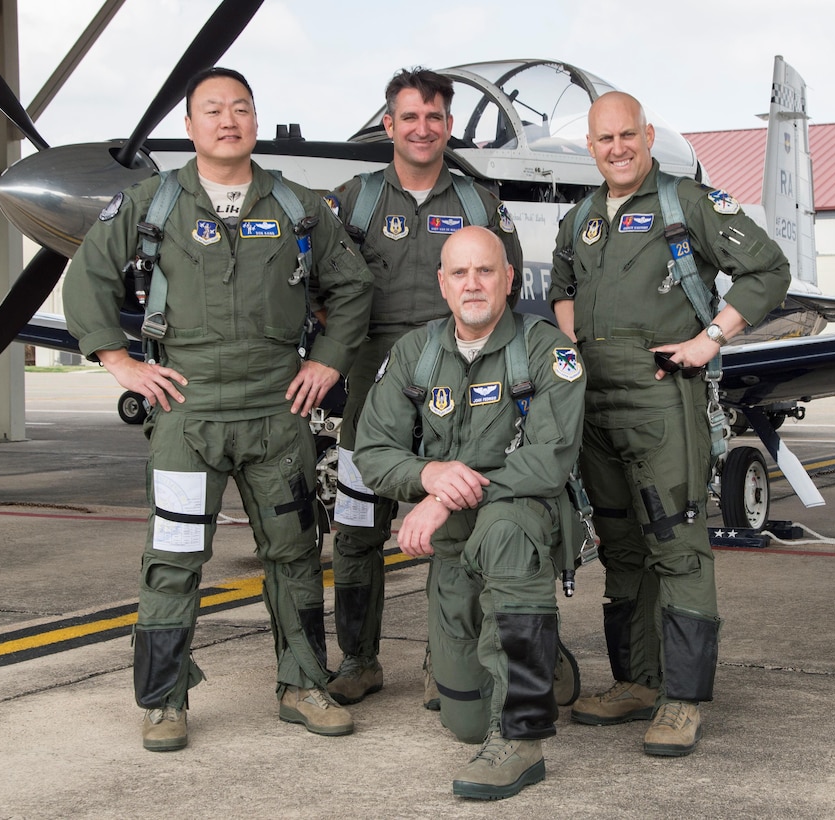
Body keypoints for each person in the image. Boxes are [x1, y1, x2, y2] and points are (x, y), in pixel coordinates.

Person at [62, 67, 373, 751]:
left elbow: (351, 288)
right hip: (187, 414)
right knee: (172, 559)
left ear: (254, 120)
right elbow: (86, 276)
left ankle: (303, 686)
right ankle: (164, 702)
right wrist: (117, 360)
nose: (227, 121)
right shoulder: (152, 203)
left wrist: (327, 361)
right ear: (190, 125)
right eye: (212, 110)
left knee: (293, 553)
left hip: (276, 411)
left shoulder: (298, 207)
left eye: (240, 109)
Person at [549, 91, 791, 756]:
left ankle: (681, 700)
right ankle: (636, 682)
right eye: (604, 140)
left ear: (647, 135)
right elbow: (561, 290)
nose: (617, 148)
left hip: (662, 400)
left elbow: (766, 269)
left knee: (675, 546)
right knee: (621, 549)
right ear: (591, 147)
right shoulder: (579, 221)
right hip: (595, 407)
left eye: (627, 135)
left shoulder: (687, 205)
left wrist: (710, 338)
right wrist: (575, 352)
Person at [355, 226, 585, 799]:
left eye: (486, 271)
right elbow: (373, 450)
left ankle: (521, 737)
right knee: (461, 724)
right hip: (455, 540)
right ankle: (539, 654)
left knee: (505, 532)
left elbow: (547, 463)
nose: (473, 284)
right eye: (460, 273)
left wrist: (441, 496)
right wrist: (426, 475)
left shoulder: (545, 350)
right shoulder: (416, 352)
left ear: (510, 279)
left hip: (524, 520)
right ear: (442, 283)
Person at [323, 67, 523, 707]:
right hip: (371, 392)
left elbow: (507, 290)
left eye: (435, 117)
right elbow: (316, 288)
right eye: (409, 117)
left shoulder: (478, 204)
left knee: (454, 529)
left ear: (449, 125)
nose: (422, 128)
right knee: (357, 529)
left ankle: (450, 663)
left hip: (460, 386)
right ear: (388, 124)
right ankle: (358, 660)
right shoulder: (353, 200)